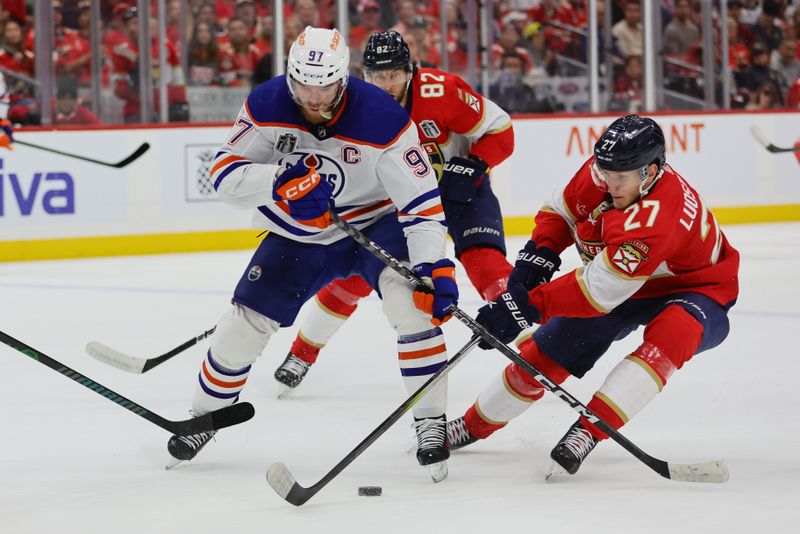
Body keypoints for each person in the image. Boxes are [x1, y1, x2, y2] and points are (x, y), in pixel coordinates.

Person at [166, 26, 459, 482]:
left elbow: (420, 204)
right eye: (303, 85)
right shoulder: (267, 104)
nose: (314, 98)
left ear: (344, 79)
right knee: (242, 325)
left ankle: (431, 423)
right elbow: (223, 176)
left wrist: (433, 266)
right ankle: (204, 417)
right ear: (289, 76)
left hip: (374, 223)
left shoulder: (382, 117)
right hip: (300, 232)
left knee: (415, 312)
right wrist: (278, 180)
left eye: (325, 86)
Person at [446, 115, 740, 477]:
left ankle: (588, 431)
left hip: (697, 286)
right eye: (604, 173)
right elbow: (561, 209)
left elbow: (597, 290)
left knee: (673, 333)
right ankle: (471, 426)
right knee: (547, 351)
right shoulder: (607, 169)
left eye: (619, 179)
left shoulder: (658, 217)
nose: (608, 184)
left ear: (650, 172)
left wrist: (525, 308)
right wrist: (539, 253)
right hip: (626, 280)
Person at [273, 30, 515, 395]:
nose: (387, 85)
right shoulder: (351, 104)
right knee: (353, 279)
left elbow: (500, 129)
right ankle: (302, 353)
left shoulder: (442, 91)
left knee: (488, 265)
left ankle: (534, 349)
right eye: (377, 76)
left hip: (460, 190)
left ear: (411, 70)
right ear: (364, 75)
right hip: (400, 203)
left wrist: (475, 164)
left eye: (395, 74)